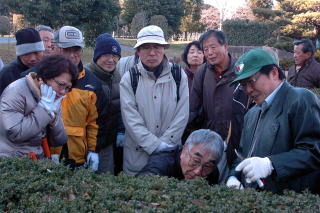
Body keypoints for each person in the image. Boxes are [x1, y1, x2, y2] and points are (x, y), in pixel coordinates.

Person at [226, 48, 320, 194]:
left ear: (274, 73)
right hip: (255, 200)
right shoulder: (251, 113)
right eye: (243, 85)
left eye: (251, 81)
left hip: (288, 201)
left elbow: (313, 151)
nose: (248, 90)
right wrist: (234, 176)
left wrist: (271, 164)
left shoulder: (300, 99)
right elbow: (243, 154)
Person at [120, 25, 189, 175]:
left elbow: (182, 114)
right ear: (138, 51)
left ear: (164, 48)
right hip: (137, 158)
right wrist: (155, 145)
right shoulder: (129, 78)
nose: (152, 53)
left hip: (169, 156)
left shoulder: (178, 75)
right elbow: (131, 120)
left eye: (157, 47)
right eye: (146, 48)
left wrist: (166, 144)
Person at [51, 26, 107, 171]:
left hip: (78, 158)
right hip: (47, 154)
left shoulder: (93, 84)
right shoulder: (42, 77)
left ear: (82, 50)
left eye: (76, 49)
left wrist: (93, 151)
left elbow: (96, 123)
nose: (71, 55)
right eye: (66, 49)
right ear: (56, 48)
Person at [0, 55, 78, 159]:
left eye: (68, 88)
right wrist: (44, 111)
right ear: (42, 78)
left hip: (37, 158)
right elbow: (14, 133)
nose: (63, 92)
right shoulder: (16, 92)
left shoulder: (51, 96)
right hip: (11, 161)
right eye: (60, 84)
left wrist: (54, 119)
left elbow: (59, 140)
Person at [188, 30, 237, 141]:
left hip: (236, 137)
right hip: (209, 137)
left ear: (225, 46)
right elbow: (193, 107)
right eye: (205, 49)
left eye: (213, 47)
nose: (209, 53)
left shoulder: (240, 70)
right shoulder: (202, 72)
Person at [85, 33, 123, 174]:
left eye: (115, 56)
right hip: (85, 144)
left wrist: (120, 130)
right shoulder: (85, 76)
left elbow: (119, 106)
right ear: (97, 56)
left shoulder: (116, 76)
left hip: (107, 142)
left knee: (106, 180)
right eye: (106, 55)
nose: (111, 60)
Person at [137, 129, 227, 184]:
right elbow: (142, 185)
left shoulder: (212, 171)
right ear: (184, 150)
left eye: (207, 166)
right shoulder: (162, 162)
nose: (198, 172)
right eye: (195, 161)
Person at [0, 28, 44, 95]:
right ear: (20, 55)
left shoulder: (49, 67)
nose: (33, 58)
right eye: (27, 54)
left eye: (36, 53)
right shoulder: (7, 73)